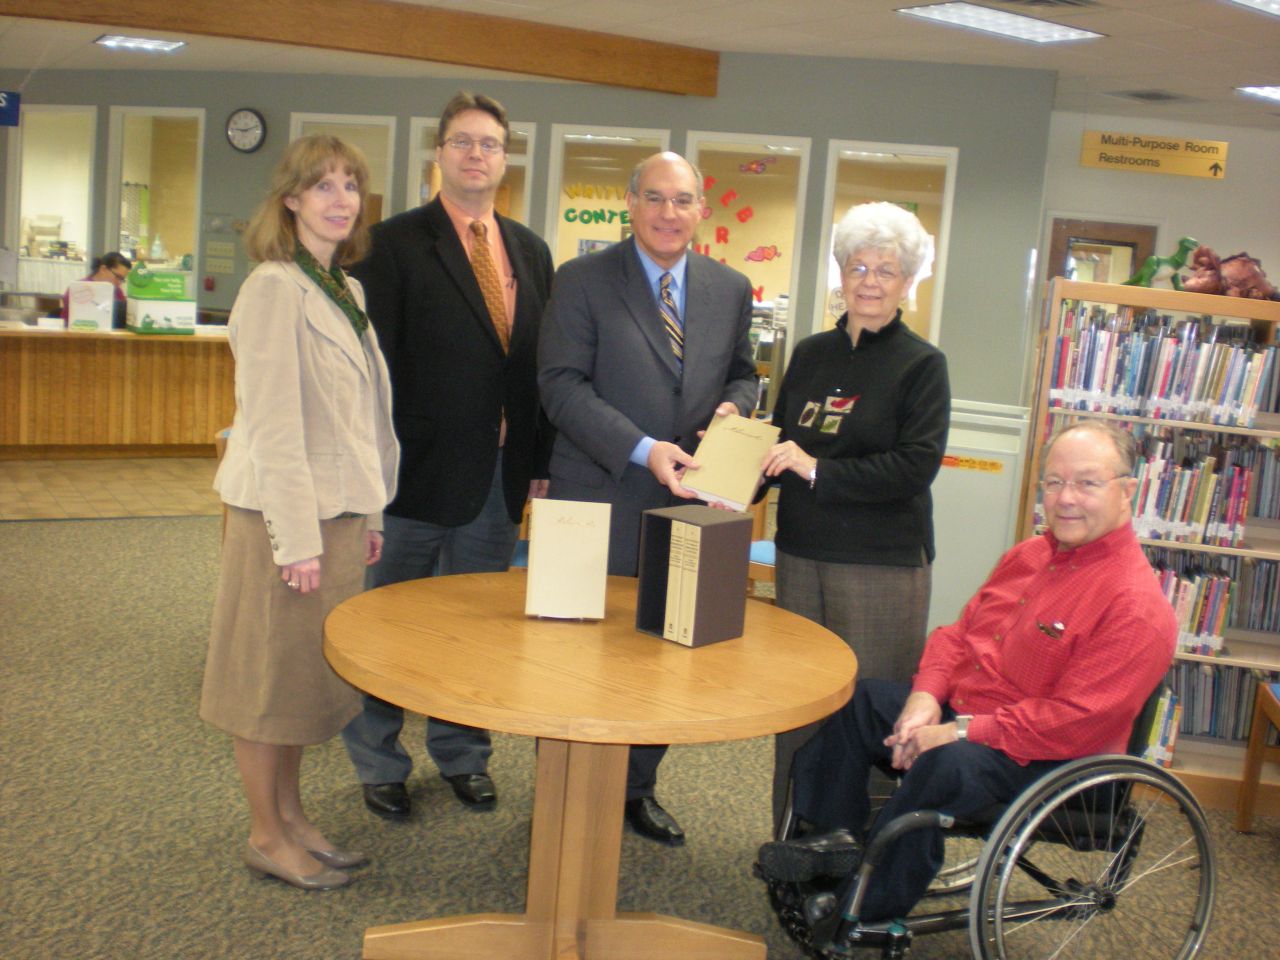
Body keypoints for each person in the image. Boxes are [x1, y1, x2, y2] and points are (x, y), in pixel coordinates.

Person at [756, 421, 1176, 931]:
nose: (1065, 499)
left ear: (1127, 490)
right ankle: (832, 846)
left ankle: (859, 911)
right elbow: (959, 637)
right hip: (973, 718)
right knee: (862, 700)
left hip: (1050, 758)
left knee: (946, 764)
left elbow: (1074, 722)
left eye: (1087, 483)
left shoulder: (1135, 606)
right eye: (1053, 482)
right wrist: (926, 698)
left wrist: (956, 731)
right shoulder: (1030, 556)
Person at [341, 91, 555, 821]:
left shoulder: (530, 249)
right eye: (462, 142)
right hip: (410, 478)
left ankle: (463, 754)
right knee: (384, 628)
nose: (476, 155)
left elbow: (534, 368)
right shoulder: (391, 244)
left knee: (475, 633)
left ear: (505, 157)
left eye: (490, 144)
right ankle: (379, 763)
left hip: (496, 484)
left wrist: (538, 462)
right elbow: (374, 371)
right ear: (439, 153)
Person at [538, 151, 758, 845]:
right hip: (598, 494)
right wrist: (643, 447)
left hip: (689, 506)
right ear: (629, 205)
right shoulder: (581, 281)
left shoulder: (730, 288)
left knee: (664, 656)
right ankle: (565, 798)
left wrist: (732, 408)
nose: (669, 213)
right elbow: (562, 385)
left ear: (702, 211)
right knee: (575, 656)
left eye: (683, 200)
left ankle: (636, 789)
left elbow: (746, 375)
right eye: (655, 198)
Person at [199, 134, 399, 891]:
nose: (341, 199)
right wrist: (294, 540)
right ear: (290, 199)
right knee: (265, 685)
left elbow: (363, 418)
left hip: (338, 516)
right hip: (286, 523)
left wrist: (372, 512)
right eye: (323, 186)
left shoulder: (343, 289)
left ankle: (291, 816)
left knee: (302, 687)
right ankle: (263, 833)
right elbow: (274, 424)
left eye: (351, 185)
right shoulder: (274, 287)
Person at [760, 201, 950, 828]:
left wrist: (815, 468)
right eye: (857, 266)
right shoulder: (810, 354)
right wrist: (734, 458)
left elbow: (912, 468)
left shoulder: (922, 365)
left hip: (880, 567)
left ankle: (859, 853)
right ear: (840, 274)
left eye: (886, 271)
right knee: (795, 703)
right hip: (801, 554)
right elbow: (779, 444)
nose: (869, 281)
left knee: (867, 711)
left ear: (908, 282)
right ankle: (790, 832)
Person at [60, 251, 131, 321]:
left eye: (122, 279)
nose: (119, 282)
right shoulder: (79, 288)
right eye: (118, 277)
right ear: (103, 269)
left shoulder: (117, 291)